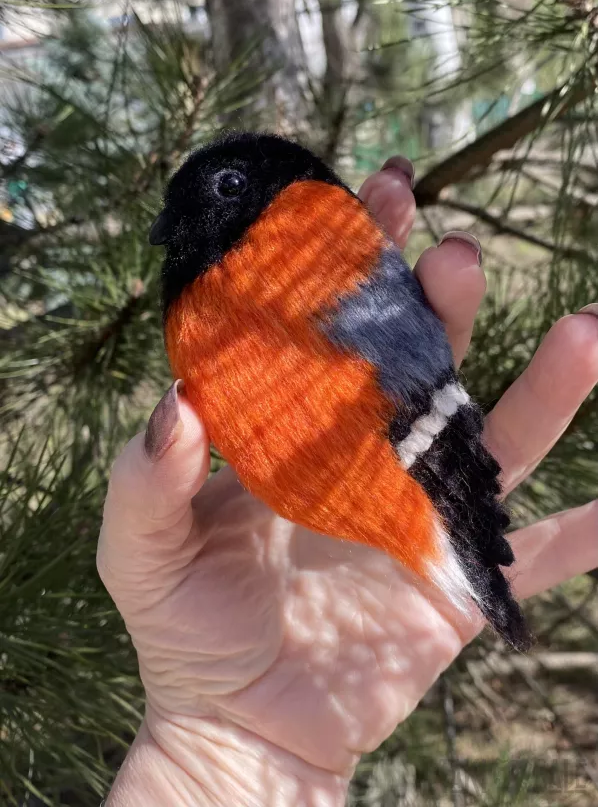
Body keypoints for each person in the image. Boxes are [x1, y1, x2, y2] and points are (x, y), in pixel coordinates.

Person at [98, 158, 598, 807]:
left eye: (229, 185)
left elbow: (402, 394)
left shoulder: (310, 250)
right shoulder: (226, 300)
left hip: (415, 467)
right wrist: (206, 758)